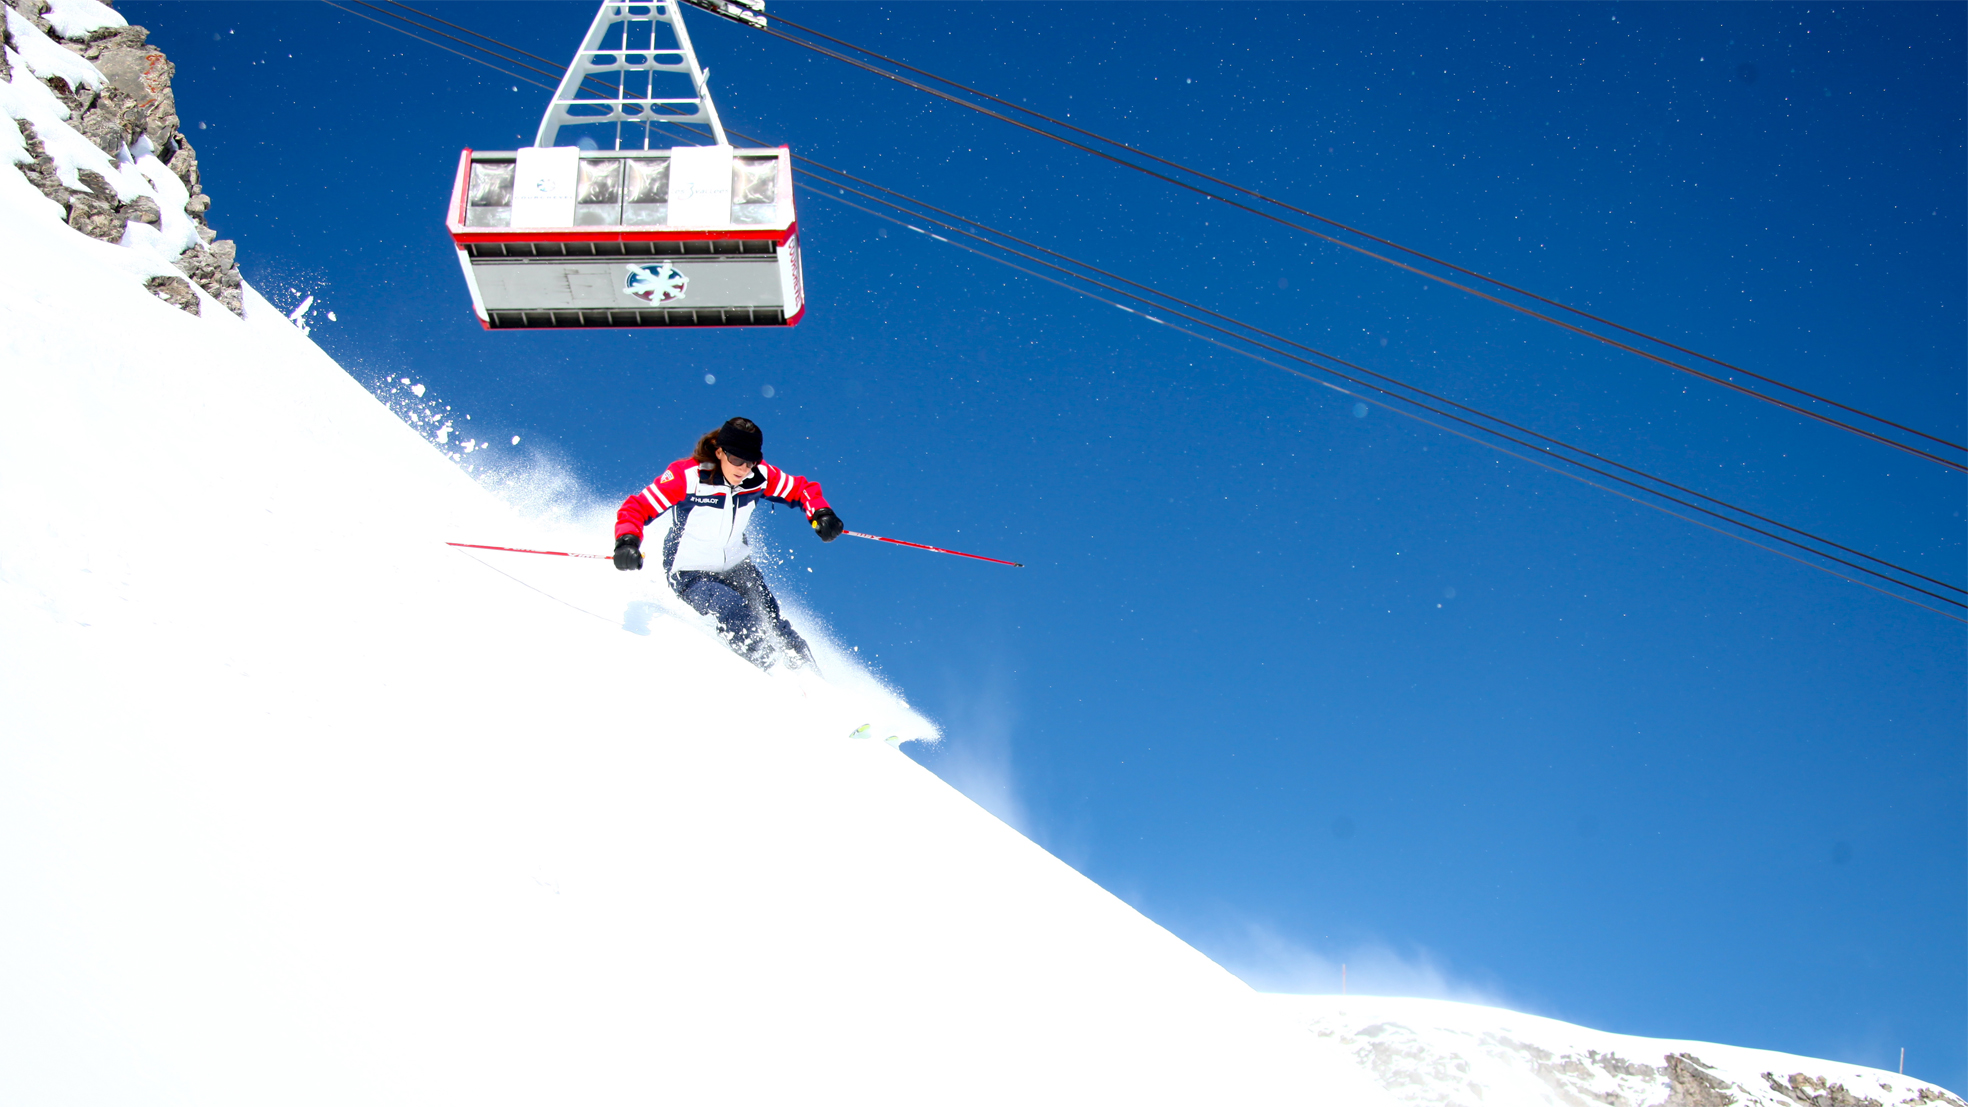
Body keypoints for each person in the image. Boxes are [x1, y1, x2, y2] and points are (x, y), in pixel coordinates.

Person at [613, 417, 844, 668]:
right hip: (690, 570)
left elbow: (801, 489)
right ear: (720, 452)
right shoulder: (688, 477)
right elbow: (637, 507)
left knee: (772, 620)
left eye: (750, 461)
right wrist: (627, 542)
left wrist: (821, 513)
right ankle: (774, 673)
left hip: (736, 564)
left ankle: (812, 680)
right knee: (734, 609)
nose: (743, 468)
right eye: (736, 460)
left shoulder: (759, 477)